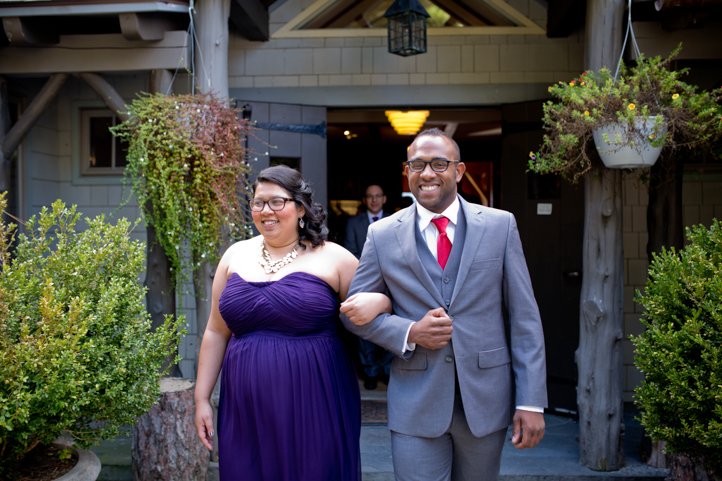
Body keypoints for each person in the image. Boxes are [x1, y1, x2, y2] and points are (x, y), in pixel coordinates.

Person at [340, 128, 547, 481]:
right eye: (417, 164)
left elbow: (524, 319)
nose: (427, 173)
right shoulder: (383, 234)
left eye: (439, 163)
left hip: (484, 400)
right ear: (407, 171)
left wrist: (530, 401)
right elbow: (354, 316)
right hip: (415, 403)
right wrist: (410, 331)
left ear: (459, 171)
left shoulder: (500, 226)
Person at [194, 165, 390, 481]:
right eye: (258, 202)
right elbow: (216, 331)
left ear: (300, 207)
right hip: (246, 407)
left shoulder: (334, 258)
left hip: (315, 400)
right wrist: (202, 398)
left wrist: (382, 300)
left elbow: (381, 301)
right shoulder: (234, 255)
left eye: (277, 202)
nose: (265, 211)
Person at [344, 184, 394, 390]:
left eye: (378, 196)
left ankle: (386, 370)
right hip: (365, 283)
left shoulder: (396, 221)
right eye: (370, 196)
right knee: (365, 328)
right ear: (365, 200)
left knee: (393, 327)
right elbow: (350, 251)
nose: (374, 200)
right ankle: (370, 371)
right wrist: (372, 271)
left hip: (394, 284)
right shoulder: (354, 223)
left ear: (384, 199)